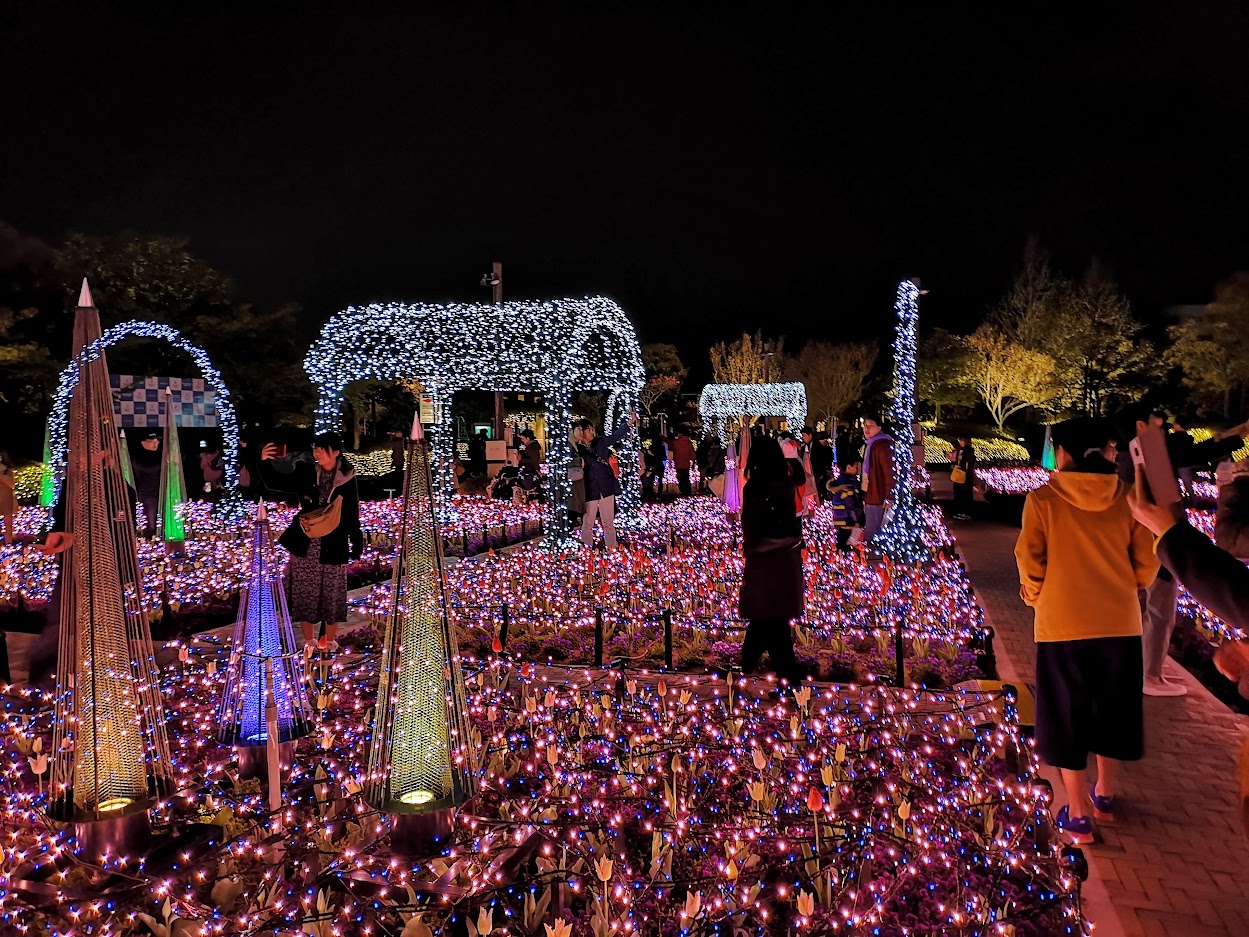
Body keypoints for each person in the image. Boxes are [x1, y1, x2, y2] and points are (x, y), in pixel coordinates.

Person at [1014, 417, 1158, 845]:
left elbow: (1030, 560)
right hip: (1119, 622)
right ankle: (1106, 794)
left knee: (1066, 715)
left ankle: (1076, 814)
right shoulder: (1128, 498)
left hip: (1061, 625)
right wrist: (1126, 587)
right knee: (1112, 709)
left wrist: (1036, 596)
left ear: (1065, 452)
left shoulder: (1043, 499)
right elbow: (1147, 562)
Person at [1115, 403, 1249, 696]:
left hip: (1152, 545)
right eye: (1154, 422)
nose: (1161, 424)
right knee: (1159, 612)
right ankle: (1149, 674)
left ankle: (1141, 670)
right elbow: (1169, 506)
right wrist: (1173, 533)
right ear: (1140, 428)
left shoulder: (1134, 456)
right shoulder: (1148, 457)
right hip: (1159, 548)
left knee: (1146, 611)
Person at [260, 432, 363, 652]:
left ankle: (329, 641)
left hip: (334, 542)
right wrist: (263, 461)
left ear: (335, 452)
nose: (317, 453)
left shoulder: (346, 477)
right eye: (316, 448)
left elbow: (351, 512)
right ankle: (309, 641)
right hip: (306, 542)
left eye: (322, 449)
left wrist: (356, 542)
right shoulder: (307, 473)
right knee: (305, 590)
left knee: (332, 591)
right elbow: (274, 483)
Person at [739, 437, 805, 687]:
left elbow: (751, 527)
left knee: (770, 623)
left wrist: (753, 548)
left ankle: (751, 669)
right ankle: (747, 665)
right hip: (785, 563)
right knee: (771, 623)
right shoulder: (786, 484)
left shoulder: (755, 487)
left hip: (765, 564)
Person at [576, 416, 633, 551]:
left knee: (608, 521)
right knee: (588, 522)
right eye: (588, 429)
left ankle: (611, 548)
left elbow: (615, 436)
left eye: (592, 429)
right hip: (590, 489)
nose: (592, 432)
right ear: (582, 432)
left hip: (606, 486)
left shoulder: (600, 442)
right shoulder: (578, 448)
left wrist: (629, 423)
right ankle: (587, 549)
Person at [860, 416, 894, 538]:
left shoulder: (882, 445)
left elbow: (890, 471)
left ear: (879, 428)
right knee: (871, 527)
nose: (867, 429)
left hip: (878, 496)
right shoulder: (871, 444)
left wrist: (889, 495)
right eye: (865, 426)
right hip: (871, 494)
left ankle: (874, 554)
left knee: (873, 531)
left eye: (871, 426)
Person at [827, 458, 866, 549]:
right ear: (848, 467)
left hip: (841, 519)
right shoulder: (848, 484)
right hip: (848, 519)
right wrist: (857, 520)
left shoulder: (841, 482)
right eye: (856, 466)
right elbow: (851, 504)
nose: (858, 469)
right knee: (848, 547)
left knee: (841, 543)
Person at [132, 432, 162, 538]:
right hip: (148, 494)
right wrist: (162, 465)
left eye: (157, 442)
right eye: (153, 442)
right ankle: (150, 540)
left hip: (160, 492)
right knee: (151, 522)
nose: (156, 444)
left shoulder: (158, 456)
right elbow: (147, 468)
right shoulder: (138, 457)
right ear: (144, 443)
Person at [949, 435, 976, 520]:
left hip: (965, 476)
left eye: (962, 441)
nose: (960, 442)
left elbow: (969, 463)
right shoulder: (960, 450)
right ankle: (959, 511)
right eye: (959, 440)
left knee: (965, 493)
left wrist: (962, 468)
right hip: (958, 474)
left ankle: (966, 512)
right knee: (958, 492)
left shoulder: (969, 451)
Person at [568, 424, 587, 527]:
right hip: (571, 491)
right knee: (570, 518)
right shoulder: (568, 445)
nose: (581, 432)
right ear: (570, 430)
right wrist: (580, 461)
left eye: (581, 429)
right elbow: (564, 462)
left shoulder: (576, 446)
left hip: (575, 490)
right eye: (578, 429)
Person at [807, 429, 833, 502]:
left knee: (823, 486)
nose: (825, 441)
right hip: (820, 472)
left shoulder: (824, 448)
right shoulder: (818, 448)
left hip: (824, 471)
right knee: (820, 487)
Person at [670, 429, 696, 497]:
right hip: (686, 464)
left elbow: (669, 442)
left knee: (680, 479)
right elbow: (692, 454)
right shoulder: (688, 443)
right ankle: (687, 492)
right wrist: (693, 463)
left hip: (678, 464)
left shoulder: (676, 442)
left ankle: (683, 492)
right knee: (686, 478)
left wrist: (661, 437)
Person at [0, 450, 15, 546]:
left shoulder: (7, 470)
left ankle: (8, 543)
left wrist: (2, 477)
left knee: (8, 524)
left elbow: (12, 484)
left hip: (6, 498)